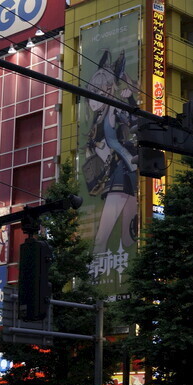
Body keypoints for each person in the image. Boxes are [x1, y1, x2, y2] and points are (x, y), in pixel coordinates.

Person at [83, 49, 140, 260]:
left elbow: (136, 122)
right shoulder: (98, 118)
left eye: (100, 92)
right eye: (92, 93)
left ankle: (91, 279)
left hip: (122, 169)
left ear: (110, 89)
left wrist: (131, 99)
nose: (94, 100)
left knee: (107, 238)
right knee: (127, 237)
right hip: (116, 172)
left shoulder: (115, 111)